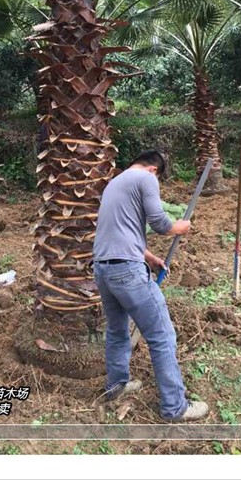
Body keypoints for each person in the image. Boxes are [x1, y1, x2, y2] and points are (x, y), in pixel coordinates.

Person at [92, 149, 209, 422]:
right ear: (154, 169)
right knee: (162, 336)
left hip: (103, 268)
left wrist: (150, 257)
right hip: (127, 272)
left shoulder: (115, 183)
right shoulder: (146, 179)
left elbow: (120, 231)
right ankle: (174, 407)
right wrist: (178, 228)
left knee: (118, 331)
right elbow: (159, 223)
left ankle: (116, 386)